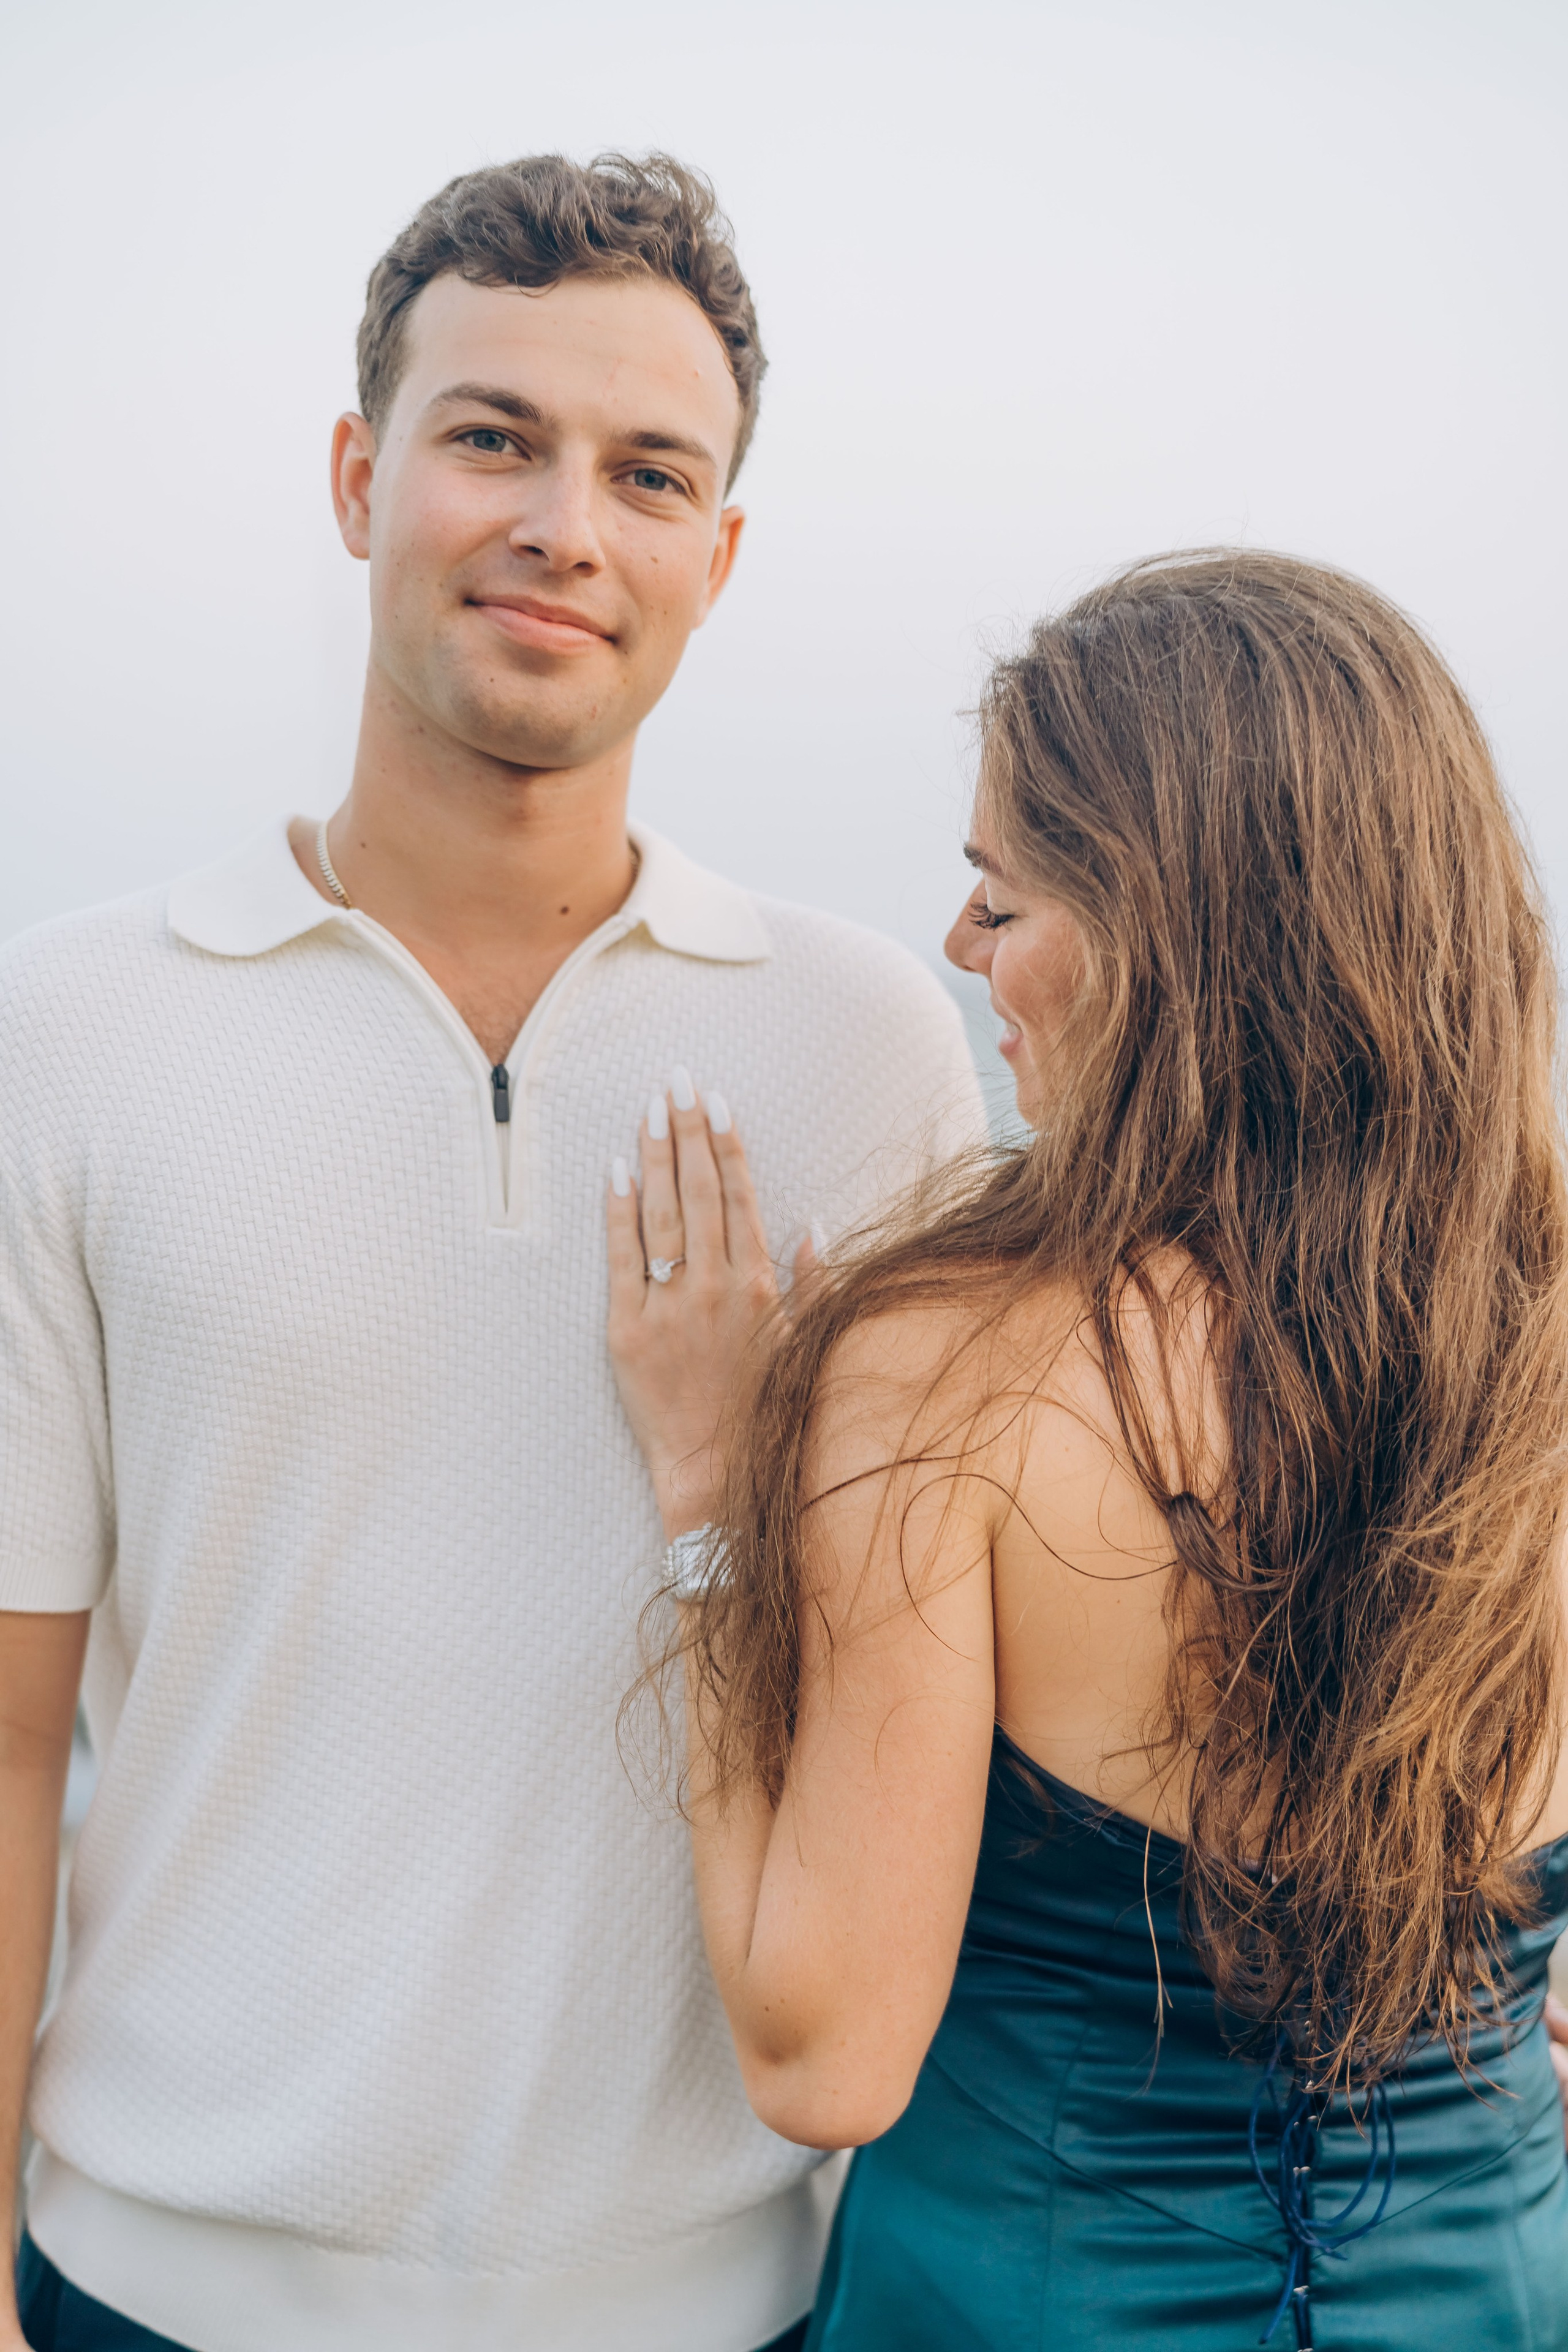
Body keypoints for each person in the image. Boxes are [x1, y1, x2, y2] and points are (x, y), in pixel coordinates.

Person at [0, 154, 981, 2352]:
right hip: (154, 2286)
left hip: (723, 2305)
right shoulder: (63, 1032)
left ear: (716, 561)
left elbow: (928, 1723)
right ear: (360, 479)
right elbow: (4, 1738)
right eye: (491, 439)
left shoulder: (869, 1046)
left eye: (649, 474)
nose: (565, 526)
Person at [607, 549, 1568, 2349]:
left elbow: (825, 2059)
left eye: (1000, 891)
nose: (964, 949)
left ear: (1173, 935)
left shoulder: (946, 1372)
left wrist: (706, 1493)